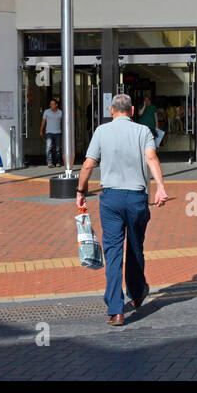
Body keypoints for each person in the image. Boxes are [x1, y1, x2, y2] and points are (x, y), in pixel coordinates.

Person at [76, 94, 171, 326]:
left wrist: (80, 190)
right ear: (131, 111)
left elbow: (89, 163)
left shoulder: (101, 131)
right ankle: (137, 294)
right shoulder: (143, 131)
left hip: (111, 199)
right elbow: (151, 157)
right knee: (136, 248)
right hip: (137, 198)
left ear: (111, 111)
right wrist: (160, 187)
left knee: (114, 252)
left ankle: (116, 310)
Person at [40, 96, 63, 167]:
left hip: (58, 132)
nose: (51, 105)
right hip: (49, 132)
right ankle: (49, 162)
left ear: (56, 105)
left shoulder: (60, 112)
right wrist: (41, 130)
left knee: (57, 149)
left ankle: (58, 162)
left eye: (53, 104)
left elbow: (64, 122)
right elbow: (43, 121)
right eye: (50, 104)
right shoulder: (46, 112)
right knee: (48, 147)